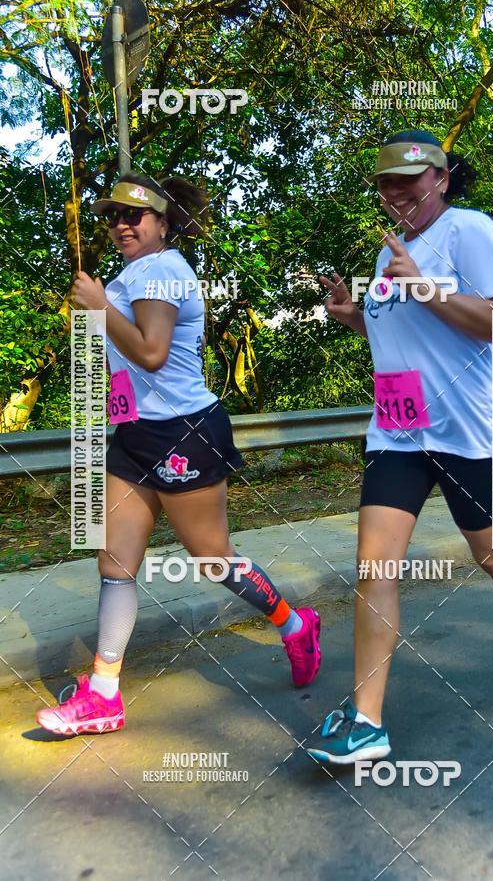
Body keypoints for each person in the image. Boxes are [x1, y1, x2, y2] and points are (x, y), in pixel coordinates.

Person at [307, 130, 493, 765]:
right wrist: (350, 312)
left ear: (442, 179)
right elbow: (401, 333)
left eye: (409, 180)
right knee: (376, 566)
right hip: (398, 430)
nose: (396, 192)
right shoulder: (389, 254)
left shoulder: (469, 232)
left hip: (469, 430)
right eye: (385, 182)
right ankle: (367, 719)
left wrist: (424, 285)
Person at [36, 172, 321, 736]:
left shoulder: (164, 269)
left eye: (133, 215)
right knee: (114, 564)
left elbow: (151, 352)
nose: (120, 225)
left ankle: (294, 624)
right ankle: (104, 694)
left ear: (163, 222)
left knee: (212, 560)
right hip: (135, 434)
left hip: (184, 432)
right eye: (112, 217)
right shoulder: (131, 274)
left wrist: (96, 304)